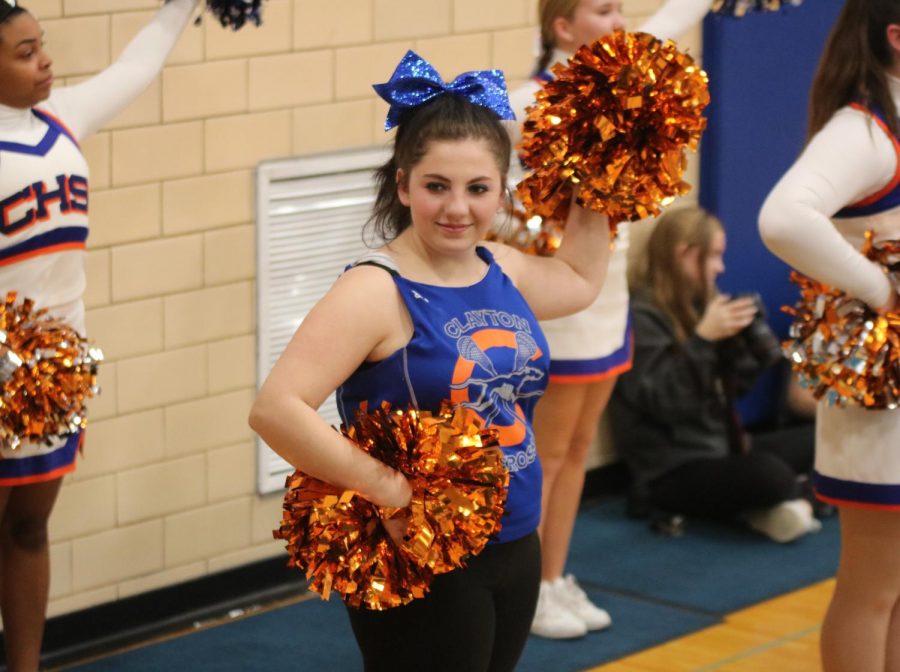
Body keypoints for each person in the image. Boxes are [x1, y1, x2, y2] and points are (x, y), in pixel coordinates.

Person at [249, 51, 611, 672]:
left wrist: (607, 173)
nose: (457, 209)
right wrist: (388, 489)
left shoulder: (502, 266)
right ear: (402, 185)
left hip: (520, 537)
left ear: (502, 190)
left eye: (478, 189)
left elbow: (579, 277)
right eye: (436, 186)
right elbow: (275, 410)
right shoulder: (374, 290)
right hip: (425, 550)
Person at [505, 0, 715, 640]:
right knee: (545, 450)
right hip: (559, 294)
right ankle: (525, 587)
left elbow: (668, 22)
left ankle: (552, 575)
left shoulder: (619, 80)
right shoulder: (522, 102)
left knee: (576, 450)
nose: (620, 21)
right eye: (603, 10)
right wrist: (520, 229)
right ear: (562, 28)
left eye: (622, 9)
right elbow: (475, 180)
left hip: (609, 286)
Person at [0, 0, 198, 668]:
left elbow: (138, 63)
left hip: (57, 368)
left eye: (42, 44)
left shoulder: (62, 119)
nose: (45, 60)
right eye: (25, 52)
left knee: (29, 528)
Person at [758, 2, 900, 669]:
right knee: (873, 588)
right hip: (879, 399)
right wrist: (881, 289)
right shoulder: (864, 130)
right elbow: (784, 218)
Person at [608, 205, 821, 543]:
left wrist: (744, 349)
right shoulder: (641, 316)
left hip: (722, 448)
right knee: (771, 475)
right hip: (671, 469)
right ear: (686, 255)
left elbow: (729, 393)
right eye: (715, 256)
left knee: (822, 439)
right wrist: (703, 340)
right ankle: (793, 500)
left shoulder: (700, 306)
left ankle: (786, 505)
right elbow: (662, 401)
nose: (721, 268)